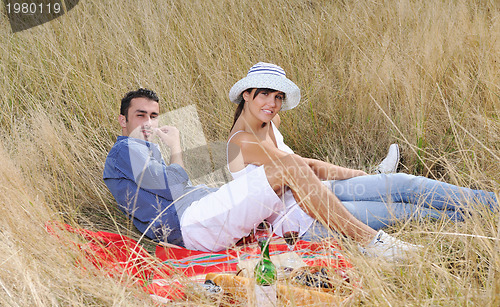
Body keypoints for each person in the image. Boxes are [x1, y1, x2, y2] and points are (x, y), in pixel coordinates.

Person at [103, 88, 422, 261]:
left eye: (154, 115)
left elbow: (173, 182)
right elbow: (172, 183)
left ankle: (371, 190)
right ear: (123, 120)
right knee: (288, 171)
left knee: (287, 173)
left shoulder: (146, 151)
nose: (148, 122)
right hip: (191, 221)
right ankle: (375, 237)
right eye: (139, 115)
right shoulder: (125, 149)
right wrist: (176, 147)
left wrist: (175, 151)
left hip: (199, 213)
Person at [227, 62, 498, 253]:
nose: (272, 104)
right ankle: (479, 221)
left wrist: (359, 177)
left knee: (405, 184)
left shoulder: (267, 124)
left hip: (317, 191)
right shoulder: (243, 142)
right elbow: (305, 166)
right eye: (264, 94)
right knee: (407, 211)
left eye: (278, 97)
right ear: (246, 95)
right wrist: (358, 175)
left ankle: (491, 202)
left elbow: (304, 166)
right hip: (303, 219)